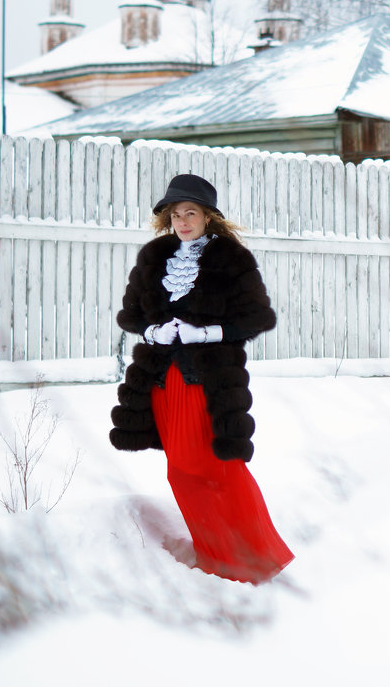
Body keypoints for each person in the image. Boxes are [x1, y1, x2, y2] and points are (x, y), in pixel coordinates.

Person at [110, 173, 293, 583]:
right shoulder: (154, 257)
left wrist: (205, 333)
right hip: (161, 380)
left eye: (191, 212)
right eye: (176, 214)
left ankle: (257, 557)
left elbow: (257, 317)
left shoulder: (231, 258)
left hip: (209, 380)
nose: (183, 221)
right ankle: (218, 557)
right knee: (180, 471)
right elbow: (131, 315)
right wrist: (153, 332)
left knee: (218, 467)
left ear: (208, 216)